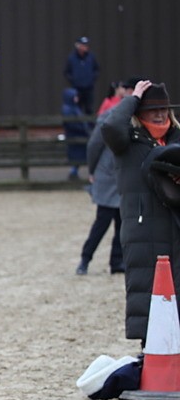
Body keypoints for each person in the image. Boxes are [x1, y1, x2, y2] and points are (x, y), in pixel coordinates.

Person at [100, 80, 180, 343]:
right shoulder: (127, 143)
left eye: (163, 109)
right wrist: (132, 98)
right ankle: (152, 354)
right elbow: (110, 125)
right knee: (147, 294)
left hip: (176, 225)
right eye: (152, 109)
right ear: (138, 113)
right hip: (144, 230)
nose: (159, 114)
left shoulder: (177, 139)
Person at [77, 85, 129, 275]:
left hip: (123, 177)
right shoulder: (109, 117)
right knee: (103, 222)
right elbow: (94, 145)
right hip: (108, 176)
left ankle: (117, 262)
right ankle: (85, 258)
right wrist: (92, 170)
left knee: (122, 223)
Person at [64, 36, 100, 115]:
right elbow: (67, 72)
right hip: (77, 89)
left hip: (89, 88)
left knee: (89, 109)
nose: (85, 47)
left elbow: (96, 69)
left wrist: (91, 79)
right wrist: (74, 81)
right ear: (78, 46)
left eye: (86, 45)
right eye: (83, 45)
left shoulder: (91, 57)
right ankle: (80, 126)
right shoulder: (72, 58)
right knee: (77, 109)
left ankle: (90, 126)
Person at [62, 87, 90, 181]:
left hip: (79, 134)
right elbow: (71, 123)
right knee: (77, 155)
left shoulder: (74, 107)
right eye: (75, 96)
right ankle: (73, 172)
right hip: (75, 135)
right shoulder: (68, 109)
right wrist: (82, 129)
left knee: (80, 155)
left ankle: (74, 172)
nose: (77, 98)